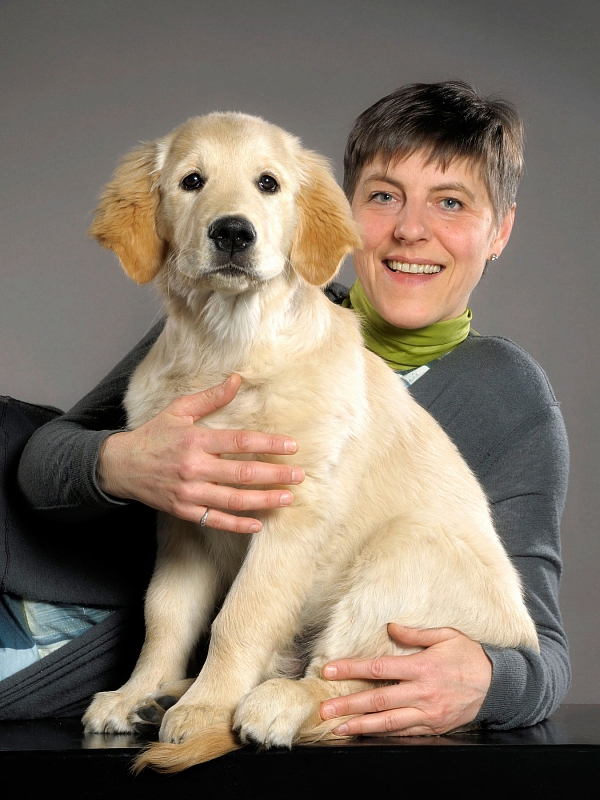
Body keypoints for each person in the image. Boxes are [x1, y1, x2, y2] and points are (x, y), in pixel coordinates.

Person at [5, 81, 569, 732]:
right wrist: (120, 463)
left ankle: (299, 699)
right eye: (385, 197)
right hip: (104, 636)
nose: (412, 230)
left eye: (451, 202)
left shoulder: (507, 393)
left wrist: (494, 681)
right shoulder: (213, 313)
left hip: (354, 639)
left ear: (499, 231)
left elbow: (537, 644)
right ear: (345, 214)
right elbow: (40, 466)